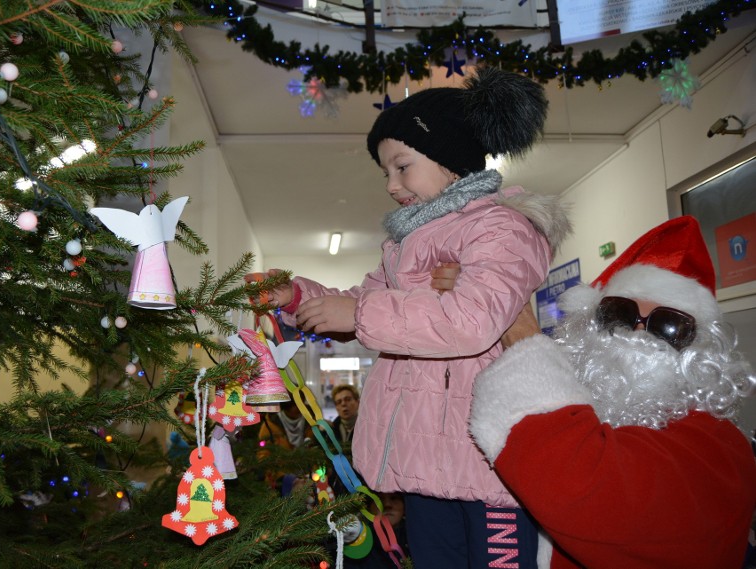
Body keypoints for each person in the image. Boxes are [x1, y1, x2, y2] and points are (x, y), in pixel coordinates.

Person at [251, 66, 571, 567]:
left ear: (451, 161)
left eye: (402, 167)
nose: (391, 185)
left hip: (490, 461)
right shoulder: (405, 245)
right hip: (424, 460)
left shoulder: (501, 229)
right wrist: (296, 296)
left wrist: (358, 311)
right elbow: (363, 300)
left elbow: (470, 320)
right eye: (385, 173)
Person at [469, 215, 756, 569]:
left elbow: (587, 490)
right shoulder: (583, 405)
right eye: (619, 314)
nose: (637, 334)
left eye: (668, 325)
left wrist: (522, 336)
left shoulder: (720, 447)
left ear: (700, 350)